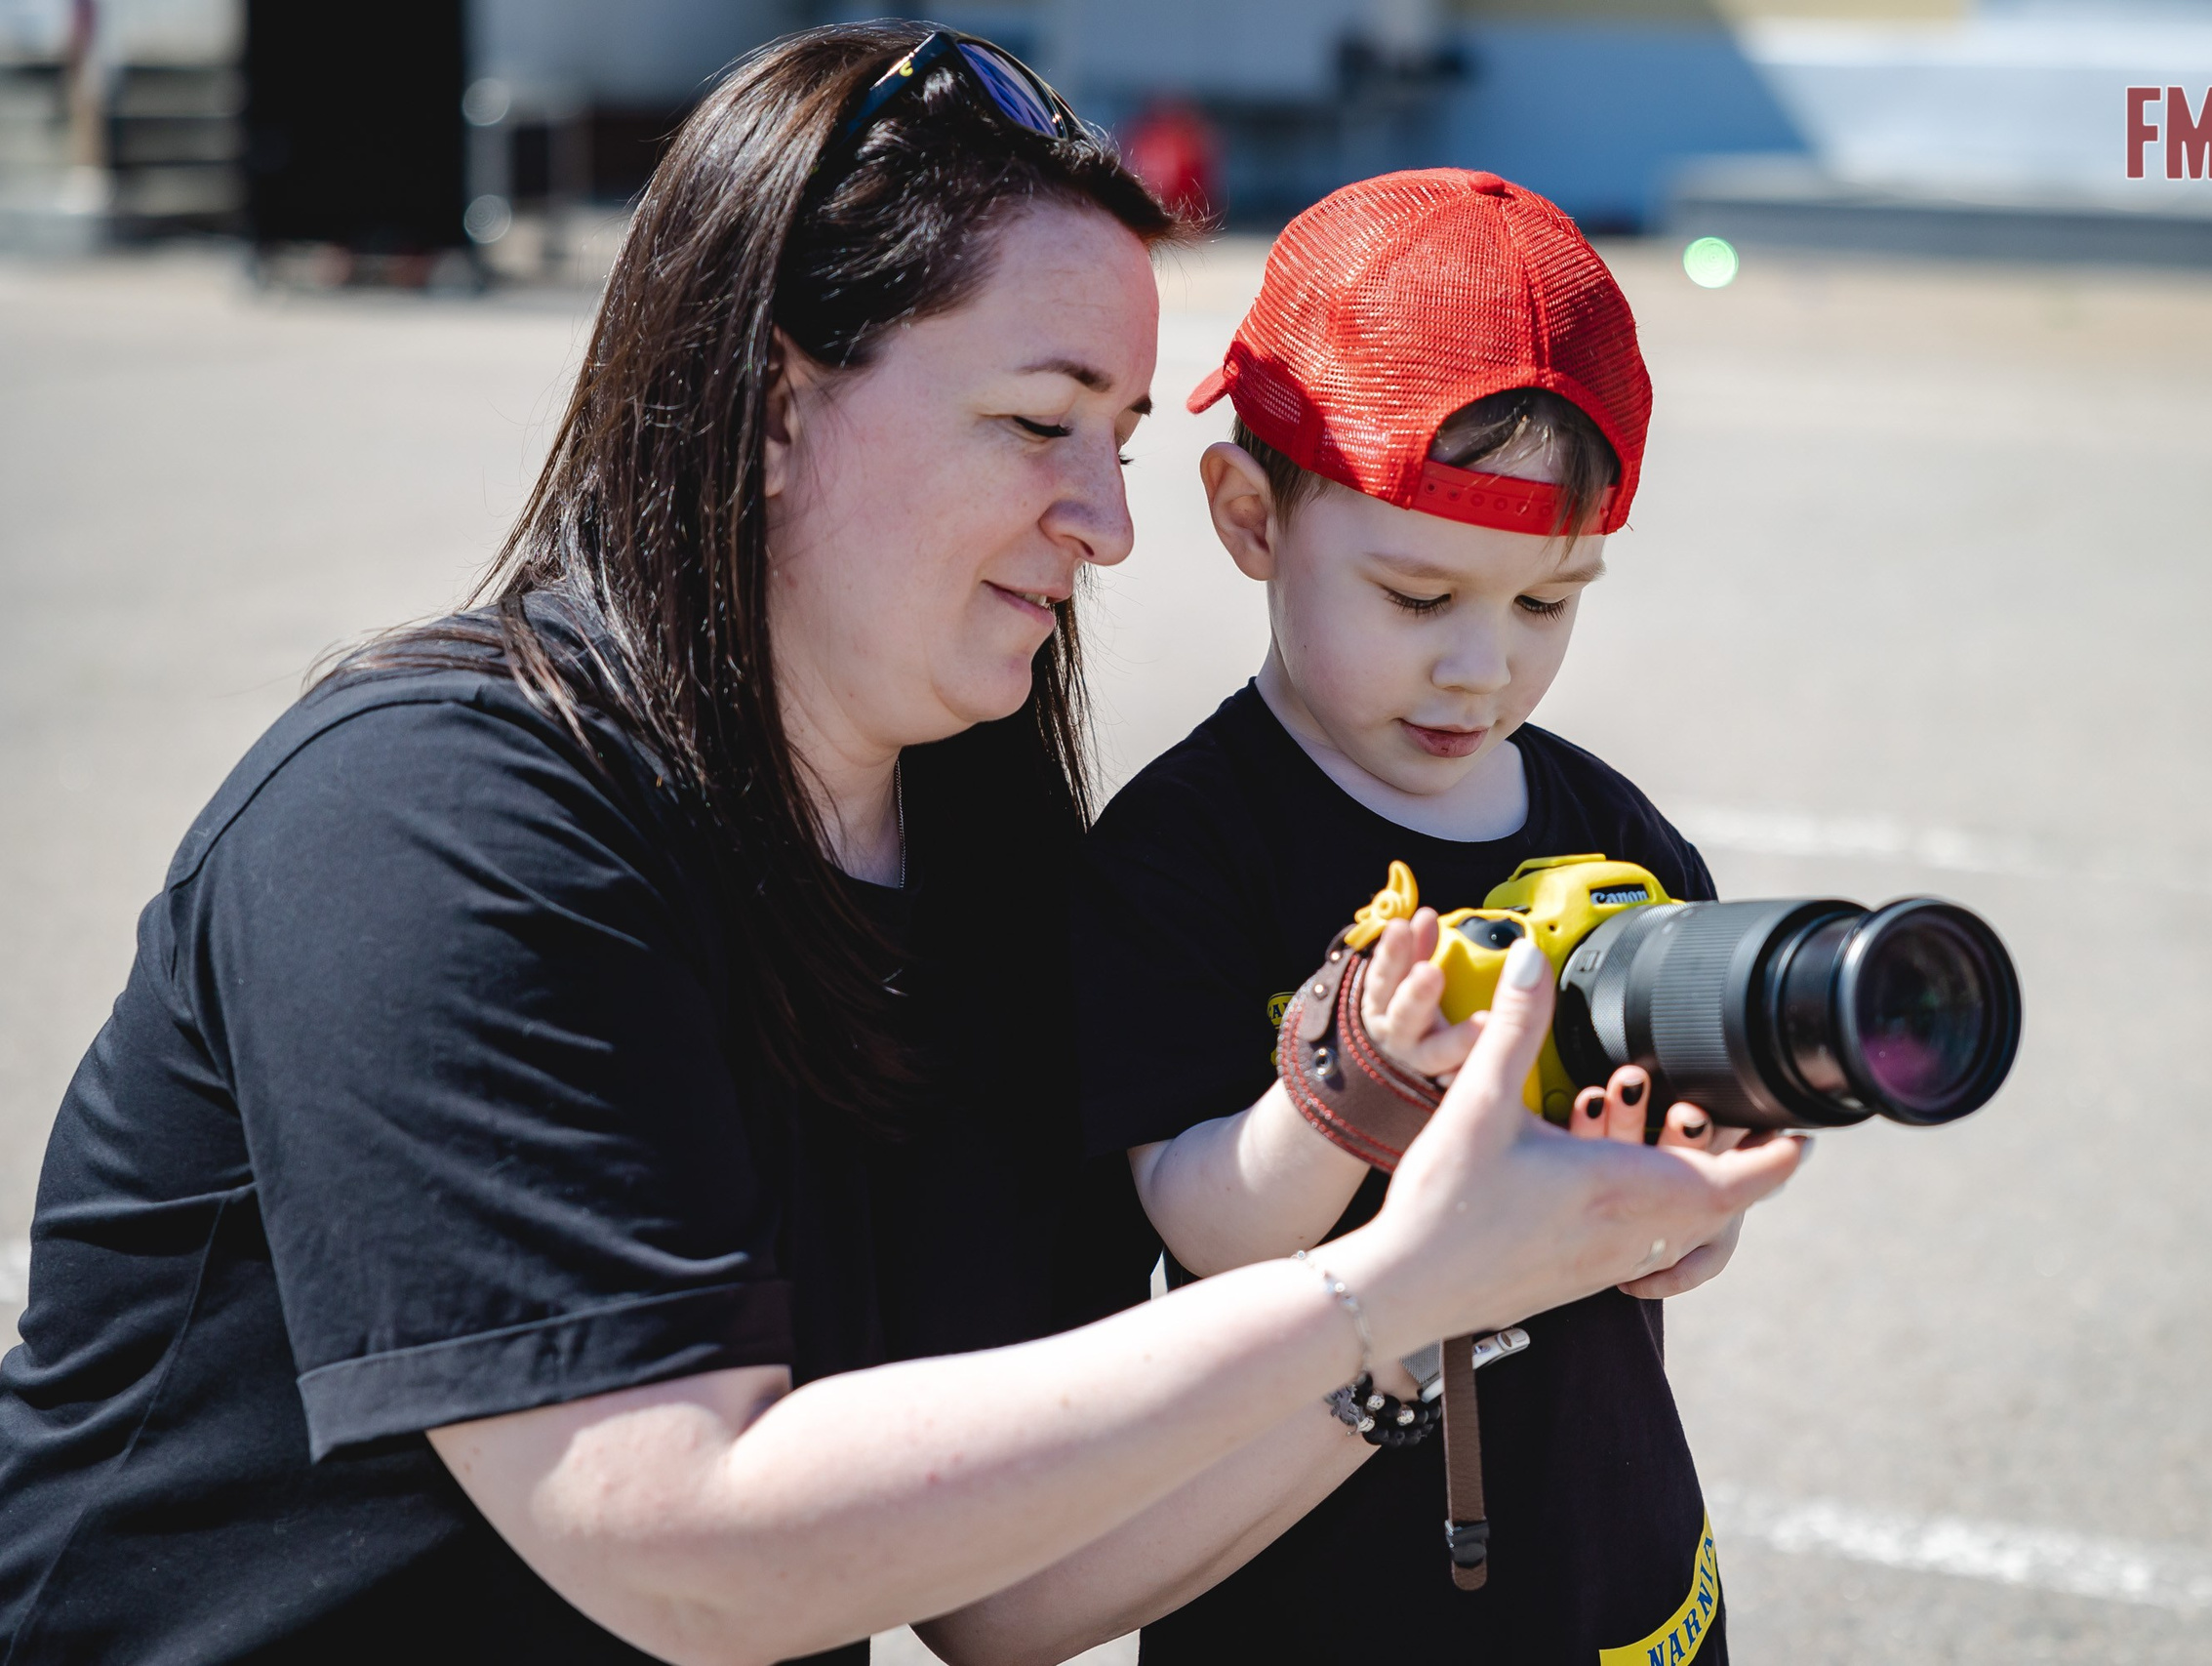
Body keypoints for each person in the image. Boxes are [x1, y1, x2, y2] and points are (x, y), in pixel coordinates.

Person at [0, 29, 1804, 1666]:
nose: (1105, 525)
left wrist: (1443, 1312)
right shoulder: (433, 820)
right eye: (1037, 423)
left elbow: (1009, 1596)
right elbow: (681, 1542)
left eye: (1113, 439)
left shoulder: (983, 863)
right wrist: (1395, 1281)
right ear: (776, 404)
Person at [1075, 170, 1765, 1664]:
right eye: (1417, 594)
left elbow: (1670, 1227)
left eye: (1543, 605)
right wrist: (1354, 1089)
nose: (1480, 671)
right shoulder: (1190, 854)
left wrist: (1681, 1221)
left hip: (1615, 1577)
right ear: (1251, 516)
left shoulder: (1616, 841)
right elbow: (1201, 1223)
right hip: (1317, 1600)